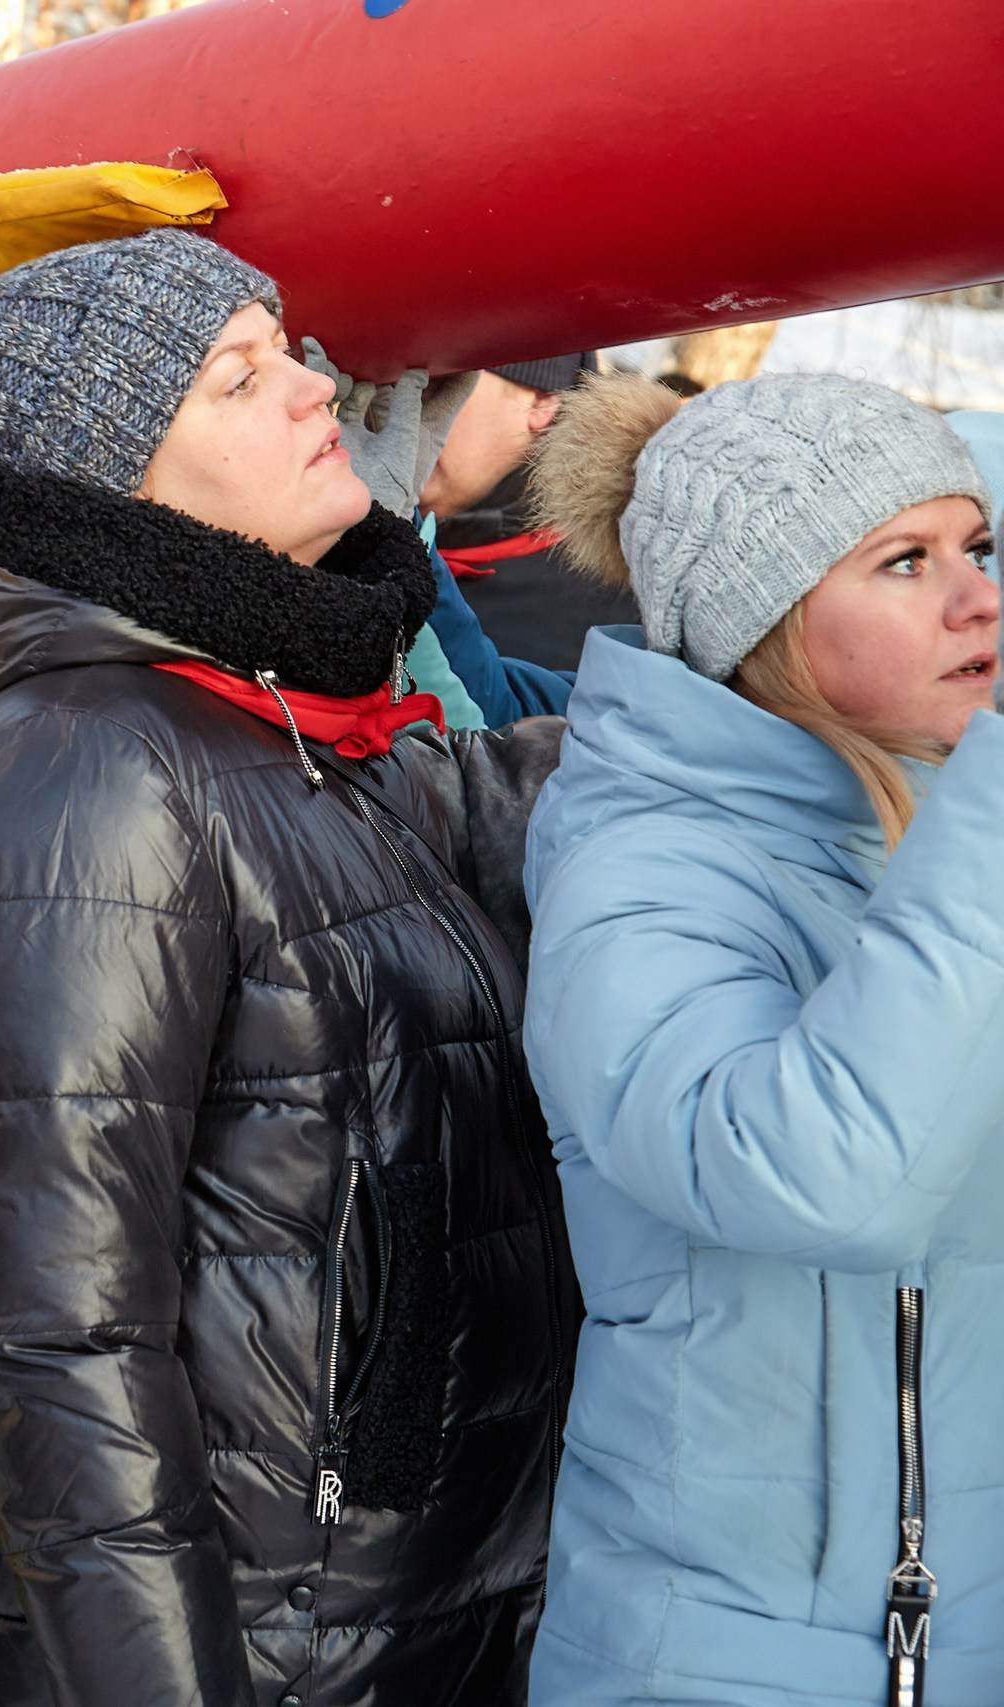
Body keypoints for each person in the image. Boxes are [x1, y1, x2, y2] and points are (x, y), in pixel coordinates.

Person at [0, 229, 576, 1705]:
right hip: (251, 1646)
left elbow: (539, 794)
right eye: (238, 378)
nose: (320, 388)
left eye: (291, 349)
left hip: (387, 1610)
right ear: (115, 478)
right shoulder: (89, 782)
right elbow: (57, 1338)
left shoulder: (305, 729)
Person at [519, 372, 1004, 1704]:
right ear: (768, 616)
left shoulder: (927, 815)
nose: (975, 597)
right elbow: (822, 1178)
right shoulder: (645, 871)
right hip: (728, 1660)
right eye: (904, 561)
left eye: (980, 546)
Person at [422, 355, 636, 673]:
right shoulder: (343, 527)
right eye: (390, 380)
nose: (402, 409)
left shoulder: (606, 626)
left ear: (540, 402)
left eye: (439, 383)